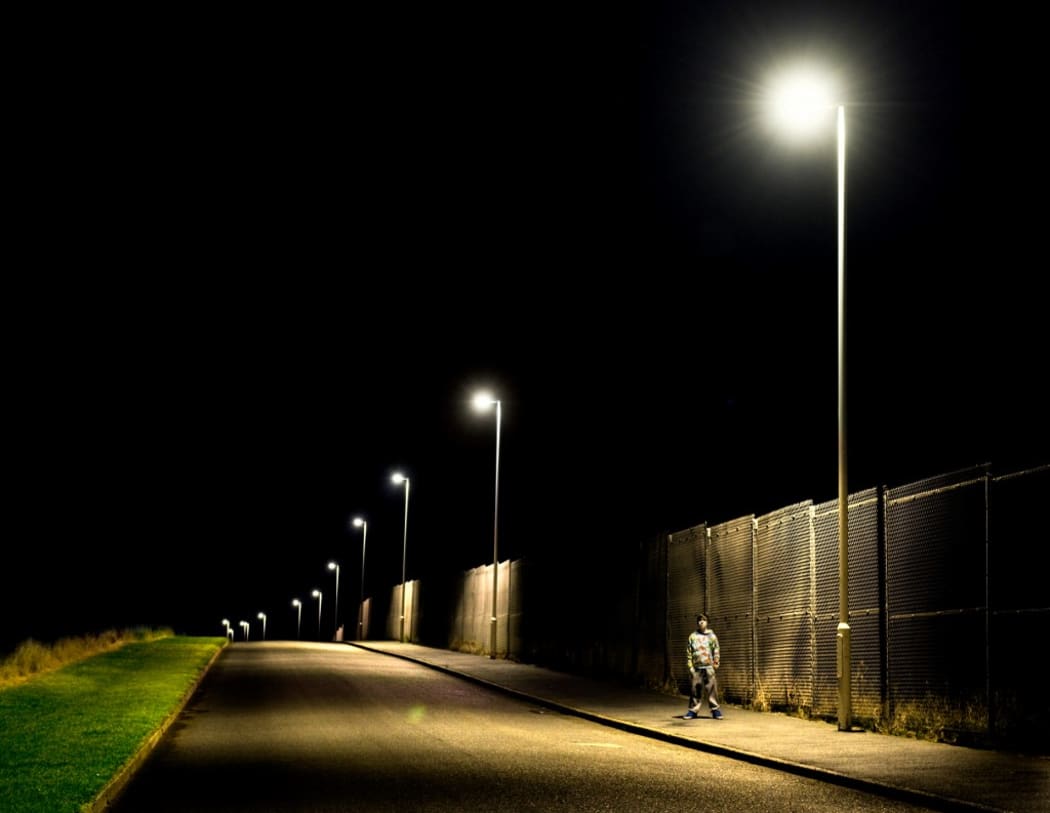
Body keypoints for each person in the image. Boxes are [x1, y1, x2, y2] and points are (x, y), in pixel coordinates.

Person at [684, 613, 722, 719]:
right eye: (699, 620)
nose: (701, 622)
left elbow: (716, 650)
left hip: (709, 667)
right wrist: (690, 666)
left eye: (704, 620)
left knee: (712, 689)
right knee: (695, 689)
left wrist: (716, 663)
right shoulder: (693, 636)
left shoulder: (712, 636)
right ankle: (693, 710)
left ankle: (715, 710)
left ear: (707, 622)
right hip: (697, 668)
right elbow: (689, 652)